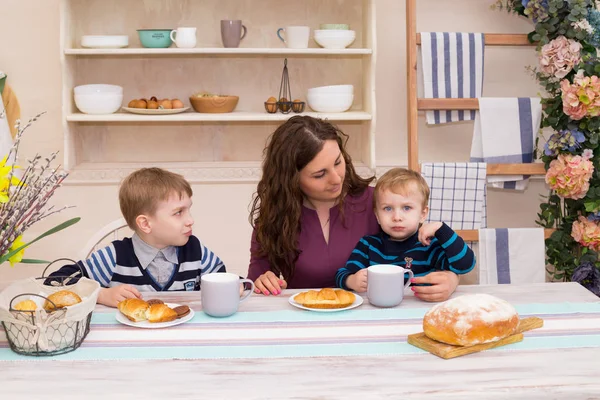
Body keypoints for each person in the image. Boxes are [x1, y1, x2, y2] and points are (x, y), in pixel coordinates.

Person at [46, 167, 226, 307]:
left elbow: (225, 279)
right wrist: (100, 295)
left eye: (189, 209)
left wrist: (238, 286)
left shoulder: (195, 251)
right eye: (179, 212)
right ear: (145, 224)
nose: (190, 220)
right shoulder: (114, 257)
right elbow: (53, 282)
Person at [247, 116, 378, 295]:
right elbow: (256, 282)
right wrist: (262, 282)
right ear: (291, 179)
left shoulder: (378, 202)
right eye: (320, 174)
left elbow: (420, 252)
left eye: (338, 162)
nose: (336, 178)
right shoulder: (275, 217)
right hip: (302, 318)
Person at [335, 167, 475, 302]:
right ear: (377, 215)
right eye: (387, 208)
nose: (397, 217)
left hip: (421, 311)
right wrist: (351, 280)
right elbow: (342, 274)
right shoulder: (368, 245)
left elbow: (465, 265)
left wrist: (442, 229)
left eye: (406, 208)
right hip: (376, 314)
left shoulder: (428, 245)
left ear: (422, 214)